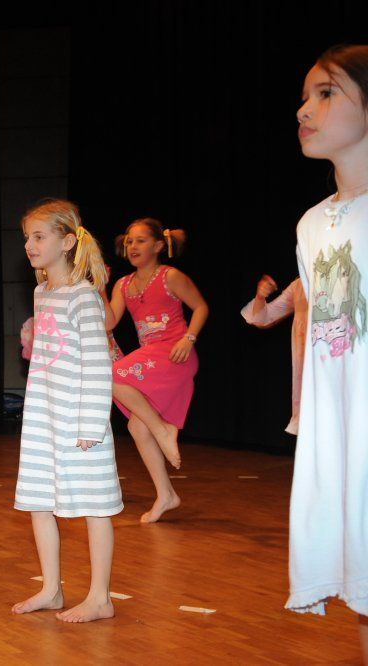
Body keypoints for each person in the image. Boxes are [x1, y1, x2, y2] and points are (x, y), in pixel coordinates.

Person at [287, 45, 368, 657]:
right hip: (342, 429)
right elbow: (317, 324)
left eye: (325, 92)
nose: (303, 109)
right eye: (304, 96)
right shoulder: (312, 224)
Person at [10, 199, 122, 623]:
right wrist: (37, 414)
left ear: (68, 242)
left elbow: (97, 363)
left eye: (39, 236)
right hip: (44, 417)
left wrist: (90, 425)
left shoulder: (84, 297)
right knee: (39, 502)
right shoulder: (42, 293)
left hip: (80, 420)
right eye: (28, 237)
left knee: (95, 505)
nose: (30, 245)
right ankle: (51, 589)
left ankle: (100, 597)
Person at [108, 218, 208, 523]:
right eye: (129, 241)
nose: (132, 246)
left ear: (159, 245)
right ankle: (166, 495)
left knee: (111, 375)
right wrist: (99, 287)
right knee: (137, 428)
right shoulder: (123, 285)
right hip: (151, 358)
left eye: (140, 240)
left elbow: (201, 307)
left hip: (174, 354)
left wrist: (189, 338)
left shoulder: (170, 276)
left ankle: (163, 429)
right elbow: (109, 322)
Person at [240, 275, 307, 434]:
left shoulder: (348, 273)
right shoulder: (299, 285)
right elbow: (263, 318)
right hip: (310, 369)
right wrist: (260, 296)